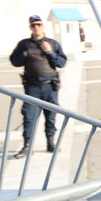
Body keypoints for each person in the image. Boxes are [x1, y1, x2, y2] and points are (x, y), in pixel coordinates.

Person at [10, 15, 67, 159]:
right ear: (30, 27)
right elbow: (14, 61)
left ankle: (50, 141)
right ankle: (27, 145)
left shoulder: (52, 43)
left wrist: (50, 52)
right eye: (33, 25)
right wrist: (23, 55)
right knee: (29, 117)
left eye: (39, 24)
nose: (36, 27)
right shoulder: (24, 44)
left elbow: (61, 63)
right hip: (32, 87)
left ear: (43, 26)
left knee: (51, 115)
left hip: (50, 86)